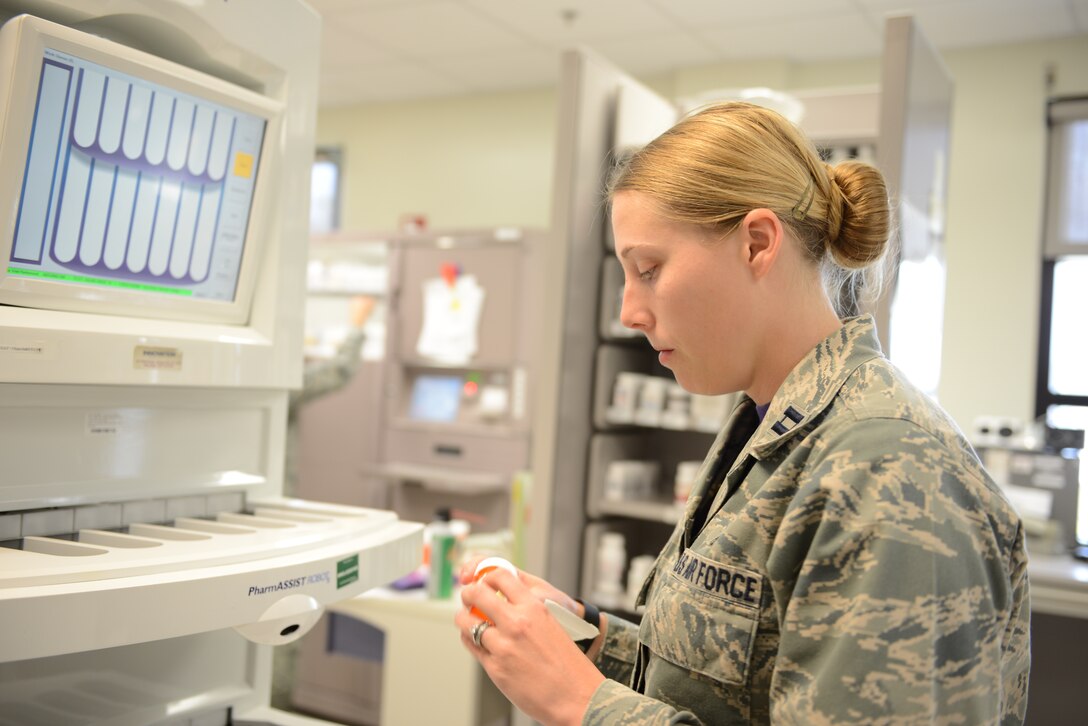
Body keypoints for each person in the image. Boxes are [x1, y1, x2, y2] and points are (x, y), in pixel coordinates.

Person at [454, 101, 1030, 725]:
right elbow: (733, 688)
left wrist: (579, 704)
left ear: (757, 244)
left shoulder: (887, 470)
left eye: (649, 270)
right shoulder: (767, 425)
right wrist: (589, 642)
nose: (629, 311)